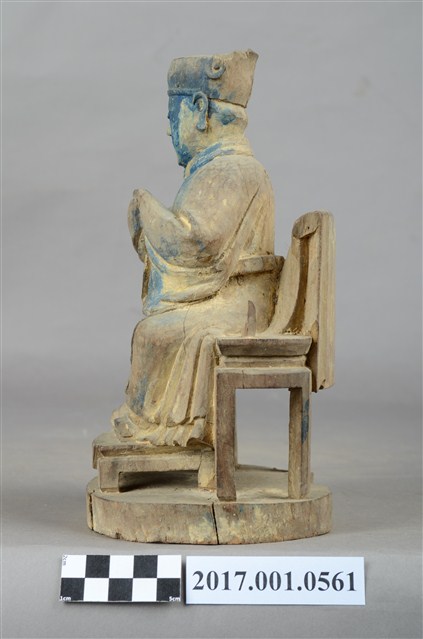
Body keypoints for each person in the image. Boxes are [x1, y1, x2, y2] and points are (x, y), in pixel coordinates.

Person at [112, 50, 278, 447]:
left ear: (200, 109)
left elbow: (198, 246)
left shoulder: (233, 170)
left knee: (153, 333)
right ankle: (158, 429)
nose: (170, 131)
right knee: (153, 331)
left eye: (173, 117)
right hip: (231, 296)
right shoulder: (216, 169)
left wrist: (146, 209)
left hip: (241, 304)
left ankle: (165, 432)